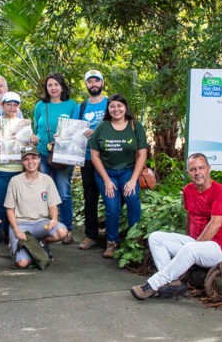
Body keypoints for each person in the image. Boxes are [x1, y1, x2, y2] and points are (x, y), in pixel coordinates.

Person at [131, 153, 222, 300]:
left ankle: (152, 285)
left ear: (209, 169)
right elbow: (189, 217)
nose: (197, 173)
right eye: (193, 169)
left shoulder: (219, 191)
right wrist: (189, 242)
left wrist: (194, 246)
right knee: (155, 238)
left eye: (201, 168)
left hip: (218, 249)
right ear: (188, 173)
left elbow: (215, 224)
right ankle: (173, 282)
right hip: (194, 243)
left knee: (190, 248)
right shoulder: (188, 190)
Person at [89, 94, 147, 258]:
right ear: (108, 109)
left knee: (133, 198)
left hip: (128, 171)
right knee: (112, 207)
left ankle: (134, 240)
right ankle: (112, 243)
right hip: (106, 173)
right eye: (112, 106)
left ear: (125, 108)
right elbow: (95, 156)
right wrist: (107, 180)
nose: (116, 109)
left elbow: (142, 155)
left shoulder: (135, 126)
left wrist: (133, 180)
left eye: (119, 106)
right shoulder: (102, 127)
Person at [0, 91, 37, 234]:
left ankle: (10, 234)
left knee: (16, 204)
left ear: (19, 107)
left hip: (18, 171)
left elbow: (29, 146)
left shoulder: (23, 125)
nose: (11, 107)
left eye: (15, 105)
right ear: (3, 106)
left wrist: (34, 140)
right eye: (8, 104)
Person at [32, 73, 78, 245]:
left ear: (62, 87)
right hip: (43, 152)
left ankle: (67, 229)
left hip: (64, 155)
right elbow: (37, 127)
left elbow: (76, 130)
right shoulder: (40, 106)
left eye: (56, 85)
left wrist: (64, 137)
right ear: (46, 88)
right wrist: (35, 138)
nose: (53, 88)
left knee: (63, 192)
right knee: (42, 192)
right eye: (50, 85)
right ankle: (44, 227)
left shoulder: (72, 105)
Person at [4, 146, 68, 268]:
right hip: (21, 225)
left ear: (39, 160)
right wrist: (16, 229)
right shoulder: (15, 181)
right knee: (22, 264)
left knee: (62, 231)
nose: (30, 162)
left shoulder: (47, 180)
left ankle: (41, 243)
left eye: (33, 158)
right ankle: (16, 246)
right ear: (23, 162)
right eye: (26, 159)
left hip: (41, 224)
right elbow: (10, 209)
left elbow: (52, 205)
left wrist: (54, 219)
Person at [72, 70, 108, 250]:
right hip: (87, 158)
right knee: (90, 197)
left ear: (102, 83)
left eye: (96, 81)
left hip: (108, 158)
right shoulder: (81, 107)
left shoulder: (111, 104)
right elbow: (73, 130)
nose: (93, 84)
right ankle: (90, 235)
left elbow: (119, 125)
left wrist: (98, 132)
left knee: (111, 197)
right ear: (86, 85)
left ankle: (112, 239)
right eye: (90, 81)